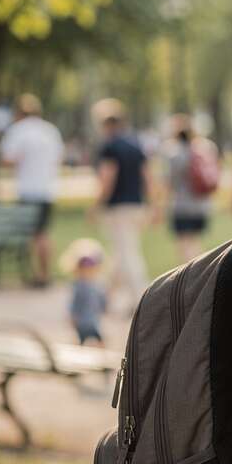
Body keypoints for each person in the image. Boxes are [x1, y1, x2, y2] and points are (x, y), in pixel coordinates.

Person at [90, 98, 151, 310]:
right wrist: (152, 203)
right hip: (136, 204)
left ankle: (141, 298)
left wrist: (96, 204)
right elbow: (147, 177)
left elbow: (108, 178)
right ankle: (104, 297)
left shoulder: (110, 147)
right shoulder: (135, 144)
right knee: (120, 252)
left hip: (118, 206)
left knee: (127, 254)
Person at [0, 93, 64, 286]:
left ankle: (36, 274)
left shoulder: (18, 130)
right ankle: (45, 273)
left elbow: (7, 159)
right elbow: (58, 157)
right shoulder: (50, 130)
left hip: (27, 190)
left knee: (31, 236)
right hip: (47, 189)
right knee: (43, 233)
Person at [163, 114, 217, 262]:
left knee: (184, 245)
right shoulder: (204, 149)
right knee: (196, 243)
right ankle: (200, 268)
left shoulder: (174, 154)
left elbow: (169, 182)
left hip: (182, 205)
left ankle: (193, 272)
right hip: (201, 204)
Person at [61, 238, 108, 346]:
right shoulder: (78, 286)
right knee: (82, 339)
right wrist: (73, 316)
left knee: (99, 339)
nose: (87, 272)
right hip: (82, 322)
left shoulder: (97, 286)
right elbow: (74, 302)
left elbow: (101, 300)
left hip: (93, 321)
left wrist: (104, 306)